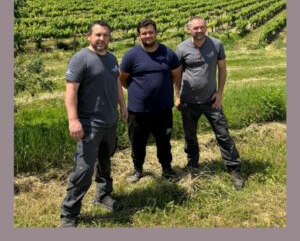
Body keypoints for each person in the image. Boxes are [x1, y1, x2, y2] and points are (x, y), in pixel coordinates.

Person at [60, 20, 128, 227]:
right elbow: (70, 91)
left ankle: (103, 195)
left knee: (105, 161)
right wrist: (73, 120)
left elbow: (117, 83)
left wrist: (122, 106)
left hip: (109, 121)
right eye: (98, 35)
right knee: (84, 169)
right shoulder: (80, 59)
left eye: (105, 35)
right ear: (88, 36)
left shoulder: (111, 58)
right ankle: (69, 215)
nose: (102, 39)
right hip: (89, 124)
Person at [175, 16, 244, 190]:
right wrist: (177, 95)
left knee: (223, 134)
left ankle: (234, 169)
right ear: (188, 29)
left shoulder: (216, 44)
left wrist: (219, 94)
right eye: (195, 28)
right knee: (190, 137)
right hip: (189, 101)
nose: (199, 31)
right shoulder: (182, 48)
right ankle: (193, 166)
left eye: (202, 27)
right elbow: (176, 74)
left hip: (211, 100)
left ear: (206, 28)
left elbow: (222, 69)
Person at [119, 19, 182, 183]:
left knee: (164, 142)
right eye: (144, 33)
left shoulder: (168, 53)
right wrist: (139, 93)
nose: (148, 35)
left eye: (150, 32)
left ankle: (167, 169)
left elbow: (176, 76)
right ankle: (137, 169)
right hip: (137, 110)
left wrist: (177, 96)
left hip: (162, 109)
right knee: (137, 142)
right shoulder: (131, 55)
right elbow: (123, 79)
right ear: (139, 35)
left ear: (156, 33)